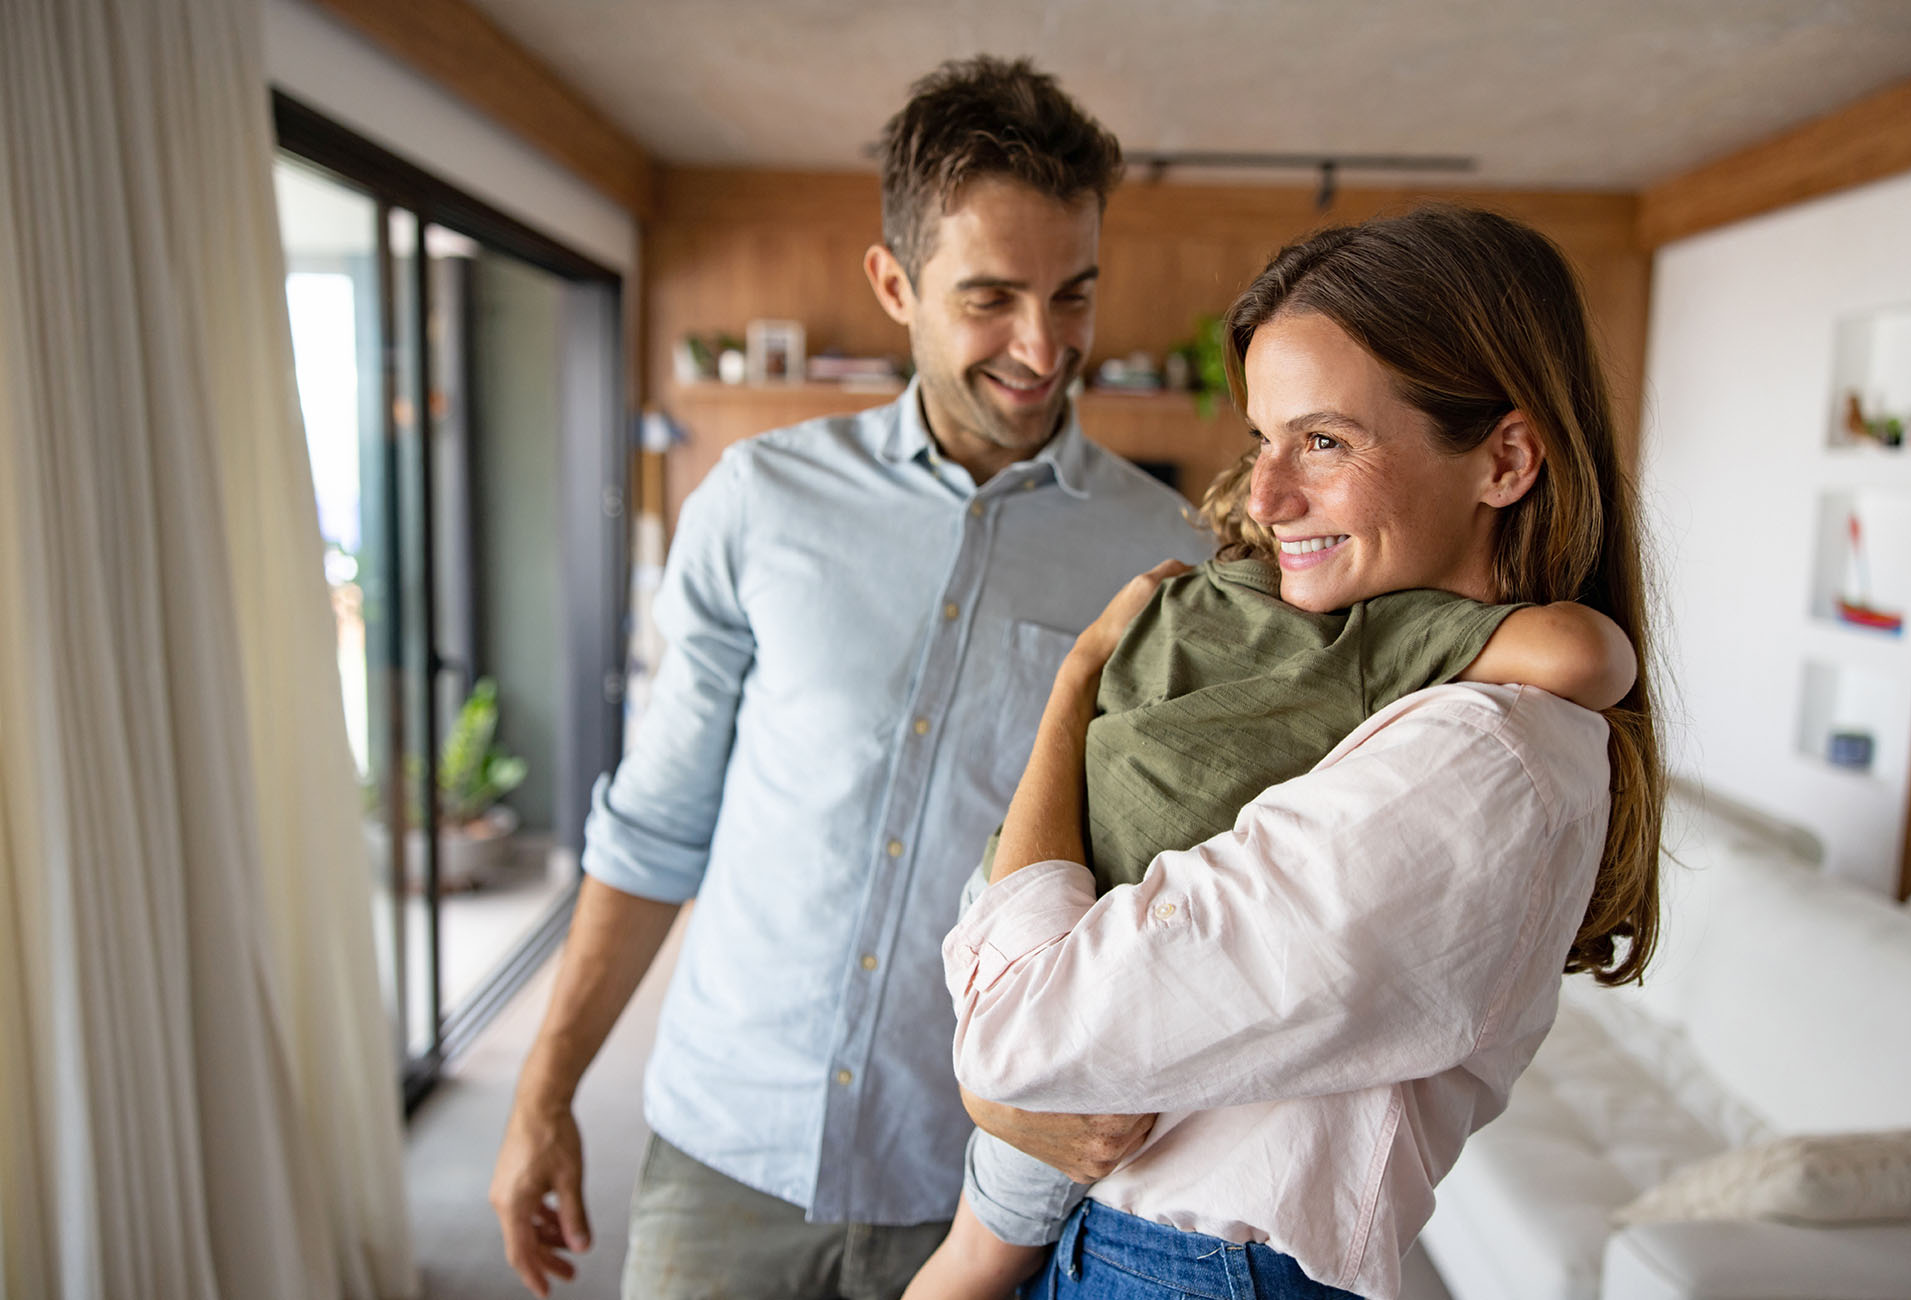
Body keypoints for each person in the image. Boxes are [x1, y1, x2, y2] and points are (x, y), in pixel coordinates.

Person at [487, 55, 1208, 1300]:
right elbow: (657, 825)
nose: (1044, 348)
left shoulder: (1170, 563)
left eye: (1073, 294)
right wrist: (542, 1090)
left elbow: (1172, 893)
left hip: (983, 1187)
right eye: (991, 297)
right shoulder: (758, 504)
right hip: (725, 1156)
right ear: (895, 283)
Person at [938, 205, 1665, 1299]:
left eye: (1324, 439)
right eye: (1264, 440)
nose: (1269, 498)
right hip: (1131, 1241)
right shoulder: (1359, 658)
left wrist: (1077, 679)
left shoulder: (1482, 755)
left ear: (1506, 458)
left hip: (1181, 1271)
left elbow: (1024, 1037)